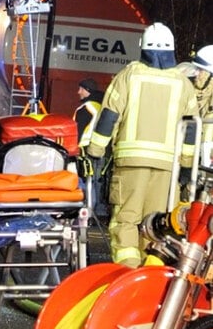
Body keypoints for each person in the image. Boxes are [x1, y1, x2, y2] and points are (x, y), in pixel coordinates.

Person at [86, 23, 199, 268]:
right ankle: (150, 277)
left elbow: (109, 117)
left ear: (142, 46)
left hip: (130, 165)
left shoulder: (129, 76)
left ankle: (126, 273)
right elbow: (190, 131)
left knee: (125, 221)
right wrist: (188, 169)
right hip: (167, 169)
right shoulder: (184, 84)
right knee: (156, 225)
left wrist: (94, 151)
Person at [73, 78, 106, 213]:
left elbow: (77, 131)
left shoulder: (85, 108)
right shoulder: (101, 107)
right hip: (101, 149)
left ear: (87, 90)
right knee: (99, 182)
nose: (78, 92)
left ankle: (87, 211)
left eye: (81, 89)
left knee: (87, 182)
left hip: (85, 151)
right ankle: (99, 212)